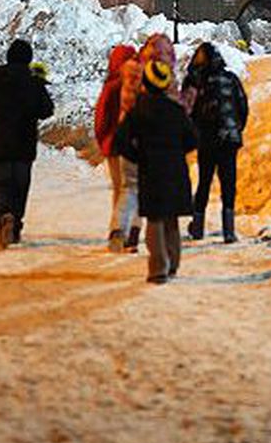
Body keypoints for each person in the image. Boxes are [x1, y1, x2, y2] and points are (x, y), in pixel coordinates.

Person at [113, 60, 198, 284]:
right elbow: (192, 139)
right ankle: (173, 263)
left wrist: (137, 156)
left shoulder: (138, 110)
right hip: (176, 171)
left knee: (155, 220)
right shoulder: (176, 110)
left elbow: (120, 141)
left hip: (151, 171)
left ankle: (158, 267)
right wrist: (176, 152)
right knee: (171, 221)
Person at [0, 39, 55, 249]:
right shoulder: (32, 81)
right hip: (24, 146)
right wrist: (41, 84)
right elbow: (47, 110)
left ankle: (4, 216)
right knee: (20, 187)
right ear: (29, 59)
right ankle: (15, 224)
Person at [184, 43, 248, 244]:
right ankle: (229, 230)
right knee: (228, 182)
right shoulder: (231, 78)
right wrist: (235, 129)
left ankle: (198, 227)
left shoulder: (196, 80)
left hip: (208, 138)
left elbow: (187, 109)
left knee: (204, 181)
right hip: (230, 138)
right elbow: (243, 107)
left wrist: (193, 133)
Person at [94, 43, 138, 251]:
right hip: (134, 145)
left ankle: (118, 230)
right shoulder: (137, 84)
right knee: (132, 190)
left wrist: (103, 141)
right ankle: (130, 231)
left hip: (113, 145)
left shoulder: (112, 85)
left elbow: (101, 119)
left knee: (120, 190)